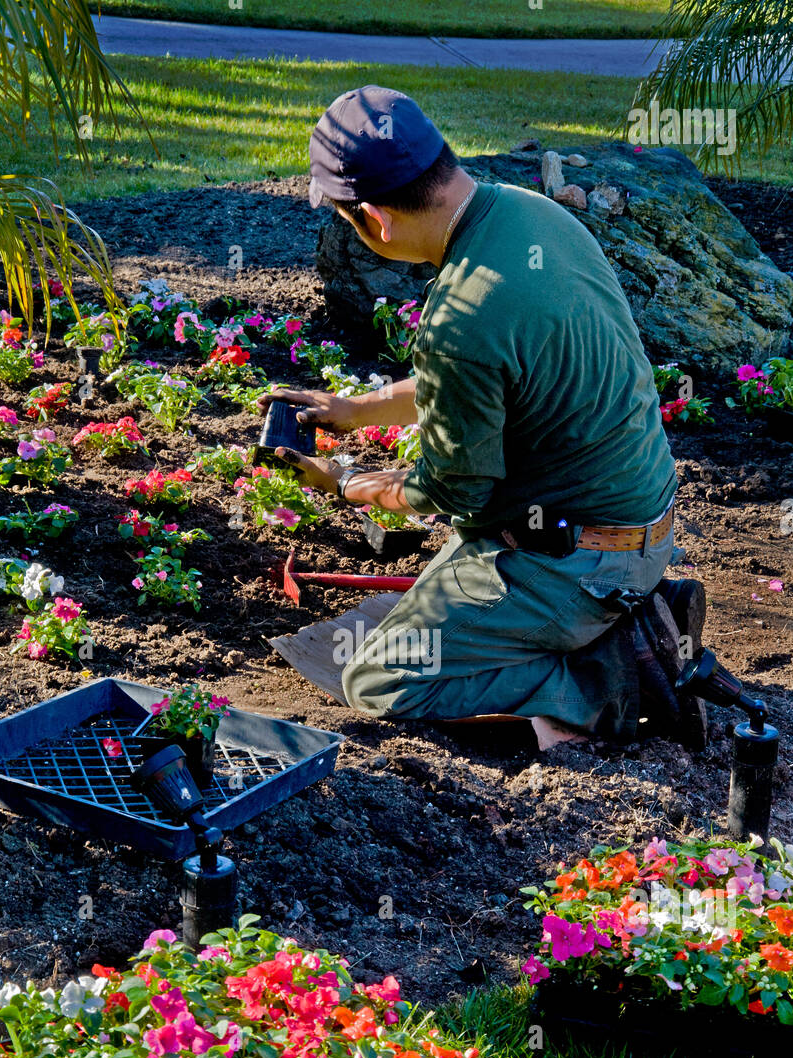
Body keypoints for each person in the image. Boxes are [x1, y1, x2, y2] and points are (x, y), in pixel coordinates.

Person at [259, 85, 707, 750]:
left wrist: (343, 479)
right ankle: (639, 618)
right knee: (426, 608)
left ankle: (608, 679)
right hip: (637, 526)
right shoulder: (533, 218)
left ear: (376, 221)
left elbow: (450, 493)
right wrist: (354, 410)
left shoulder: (460, 320)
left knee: (379, 678)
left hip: (576, 563)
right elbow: (485, 373)